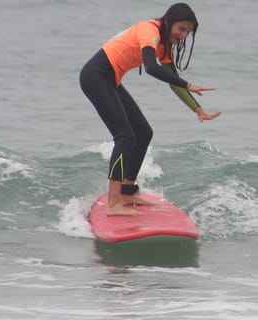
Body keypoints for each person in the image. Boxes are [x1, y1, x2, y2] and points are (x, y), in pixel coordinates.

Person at [80, 3, 221, 216]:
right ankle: (113, 203)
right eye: (181, 29)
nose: (184, 35)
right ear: (168, 22)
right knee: (125, 137)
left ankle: (126, 191)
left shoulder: (165, 45)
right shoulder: (149, 31)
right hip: (95, 76)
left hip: (110, 79)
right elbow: (150, 67)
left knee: (143, 132)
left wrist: (198, 110)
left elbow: (173, 82)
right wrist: (188, 84)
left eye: (188, 32)